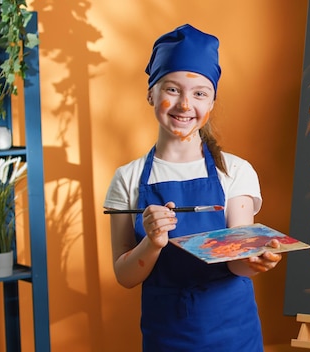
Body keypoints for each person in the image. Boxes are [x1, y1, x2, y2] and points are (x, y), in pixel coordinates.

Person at [103, 24, 282, 351]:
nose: (185, 105)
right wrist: (153, 244)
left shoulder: (236, 172)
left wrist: (255, 260)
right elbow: (125, 276)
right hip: (166, 337)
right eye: (172, 89)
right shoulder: (127, 179)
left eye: (199, 93)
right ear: (151, 94)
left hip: (233, 335)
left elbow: (236, 262)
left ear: (211, 101)